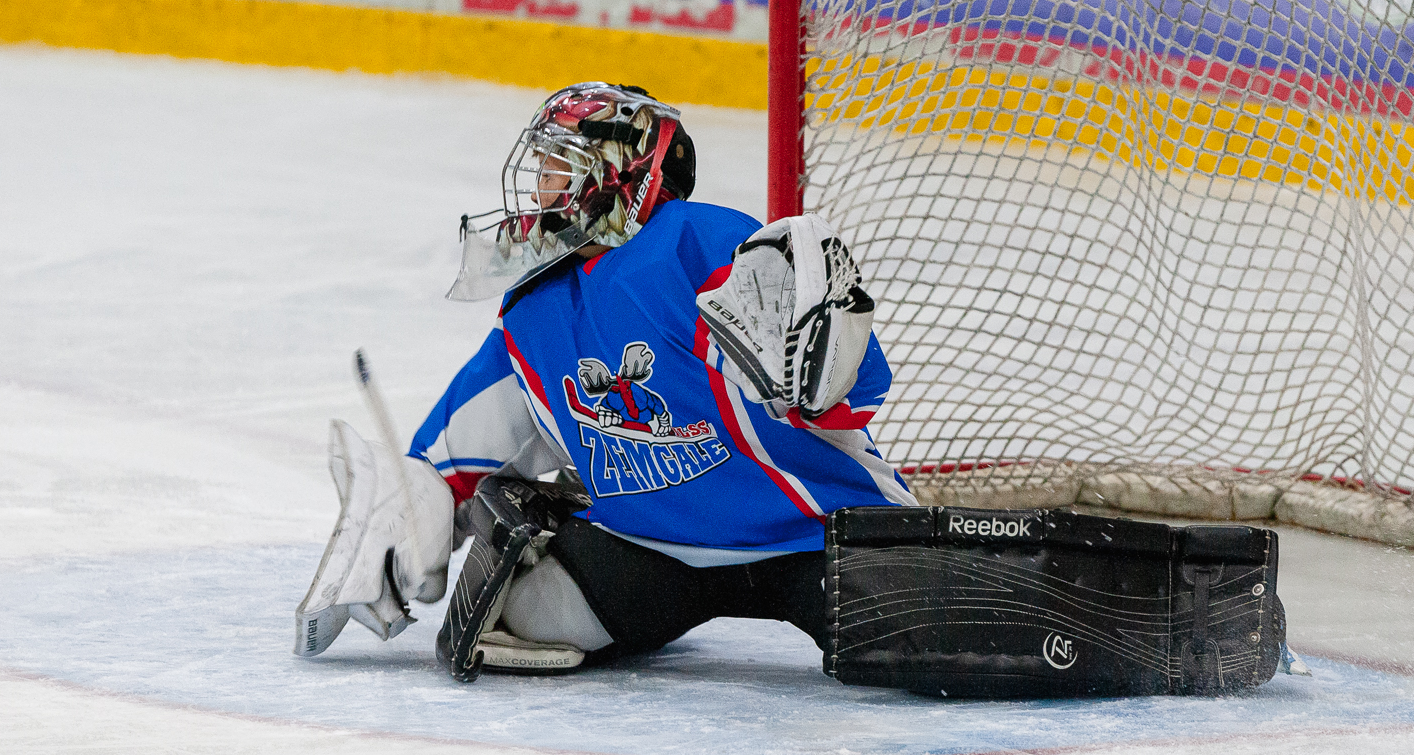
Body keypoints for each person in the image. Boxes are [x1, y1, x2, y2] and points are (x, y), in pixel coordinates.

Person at [293, 82, 1292, 698]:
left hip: (818, 533)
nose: (538, 195)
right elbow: (449, 456)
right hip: (649, 549)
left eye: (561, 171)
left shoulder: (691, 242)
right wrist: (418, 504)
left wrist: (820, 355)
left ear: (624, 175)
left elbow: (853, 386)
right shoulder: (530, 320)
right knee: (509, 615)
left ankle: (1193, 609)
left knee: (953, 647)